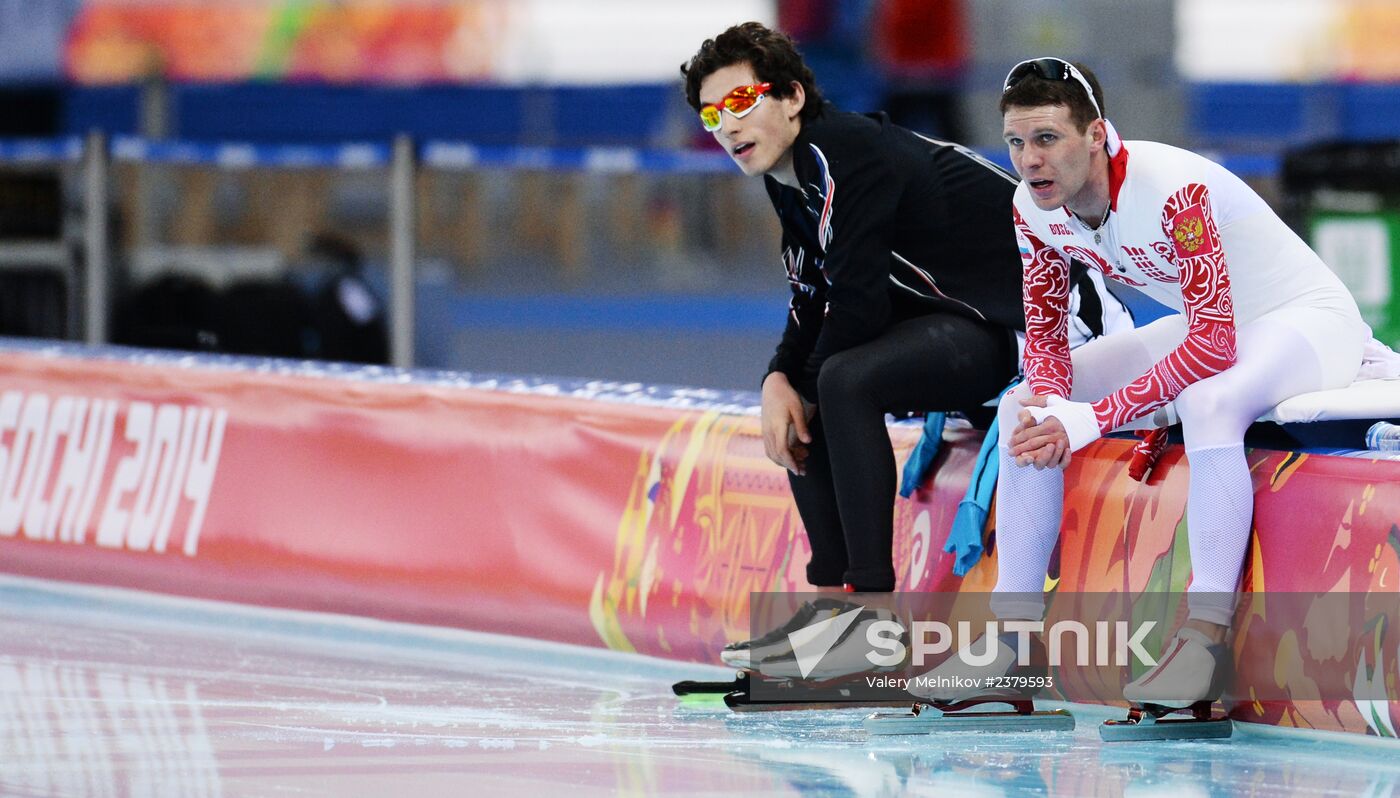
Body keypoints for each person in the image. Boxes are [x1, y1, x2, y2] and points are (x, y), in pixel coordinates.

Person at [914, 58, 1372, 719]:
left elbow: (1212, 347)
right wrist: (1050, 404)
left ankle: (1204, 644)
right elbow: (1044, 341)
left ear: (1097, 135)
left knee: (1209, 401)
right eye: (1016, 142)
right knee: (1023, 402)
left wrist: (1091, 420)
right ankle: (1011, 645)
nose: (1028, 160)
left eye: (1047, 139)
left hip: (1304, 320)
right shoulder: (1030, 210)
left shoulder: (1172, 190)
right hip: (1214, 324)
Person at [679, 25, 1130, 672]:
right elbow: (813, 299)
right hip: (968, 323)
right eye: (712, 112)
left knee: (840, 380)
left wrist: (795, 388)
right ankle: (835, 613)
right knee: (818, 381)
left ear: (792, 98)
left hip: (1048, 335)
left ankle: (870, 627)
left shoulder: (845, 152)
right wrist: (776, 379)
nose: (727, 125)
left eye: (742, 101)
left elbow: (856, 305)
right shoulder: (791, 178)